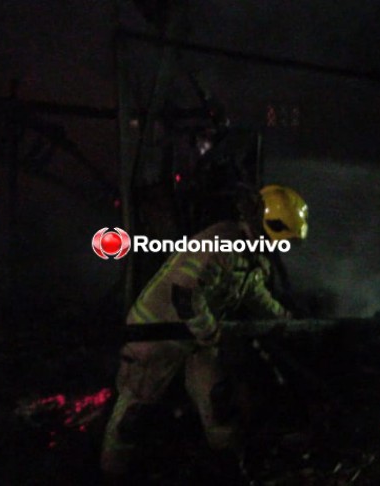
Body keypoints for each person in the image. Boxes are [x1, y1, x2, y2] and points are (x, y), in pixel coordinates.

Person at [100, 185, 309, 477]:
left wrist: (287, 321)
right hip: (155, 336)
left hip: (195, 338)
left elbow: (254, 294)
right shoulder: (220, 242)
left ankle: (231, 468)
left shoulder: (251, 256)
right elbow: (184, 295)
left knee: (219, 404)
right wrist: (209, 332)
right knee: (134, 416)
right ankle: (111, 474)